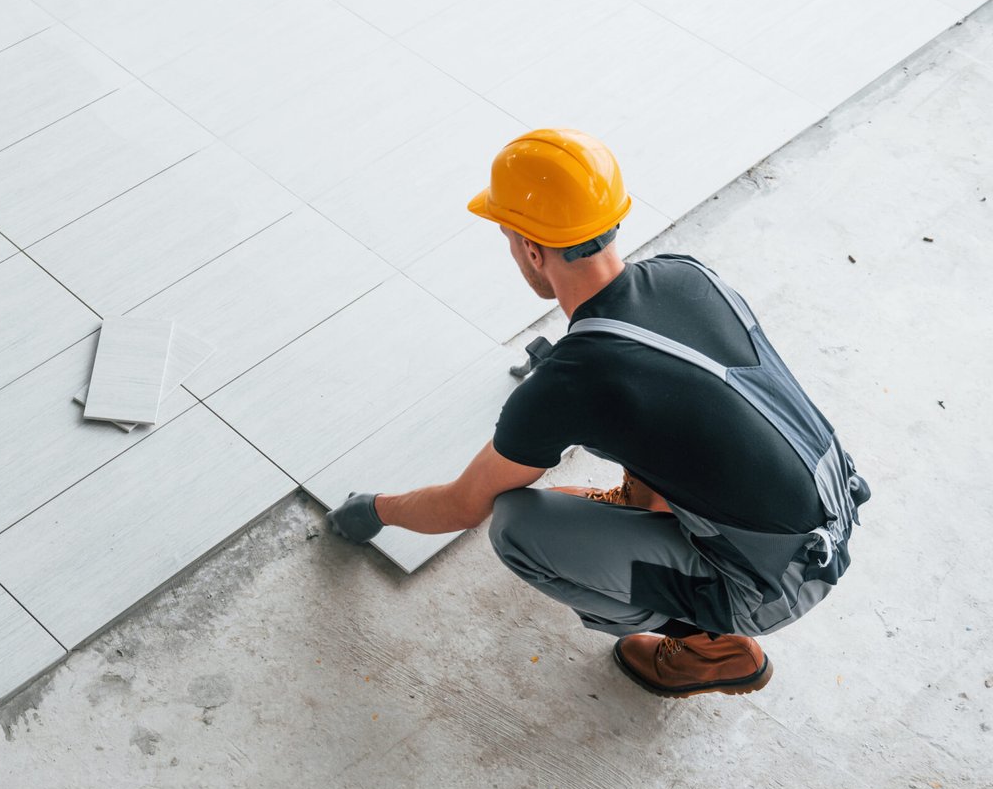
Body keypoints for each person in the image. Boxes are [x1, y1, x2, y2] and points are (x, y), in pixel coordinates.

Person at [327, 128, 868, 699]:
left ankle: (713, 646)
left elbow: (463, 506)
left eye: (508, 237)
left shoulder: (575, 380)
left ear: (531, 249)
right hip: (831, 509)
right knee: (658, 417)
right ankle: (649, 515)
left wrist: (375, 509)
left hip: (770, 584)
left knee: (518, 528)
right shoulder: (685, 275)